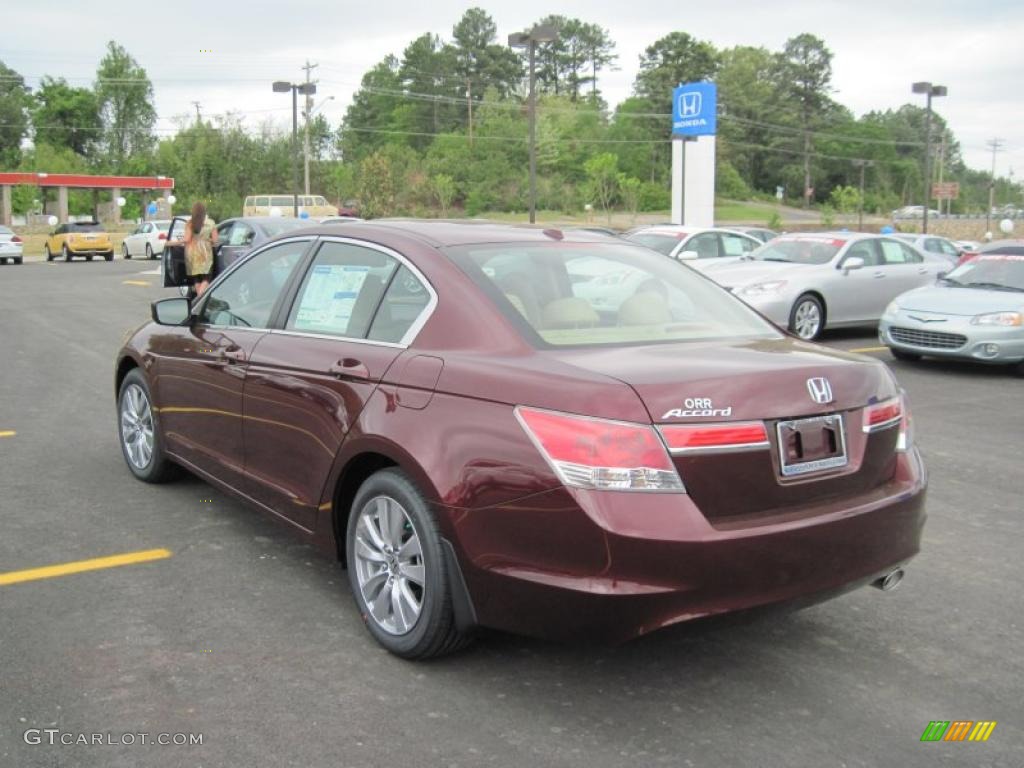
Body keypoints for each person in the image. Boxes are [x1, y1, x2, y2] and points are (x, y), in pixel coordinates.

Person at [184, 202, 218, 297]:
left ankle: (199, 299)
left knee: (197, 279)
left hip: (192, 255)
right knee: (207, 278)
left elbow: (187, 239)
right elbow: (216, 241)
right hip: (205, 254)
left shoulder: (190, 223)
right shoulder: (210, 223)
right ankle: (200, 300)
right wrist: (208, 239)